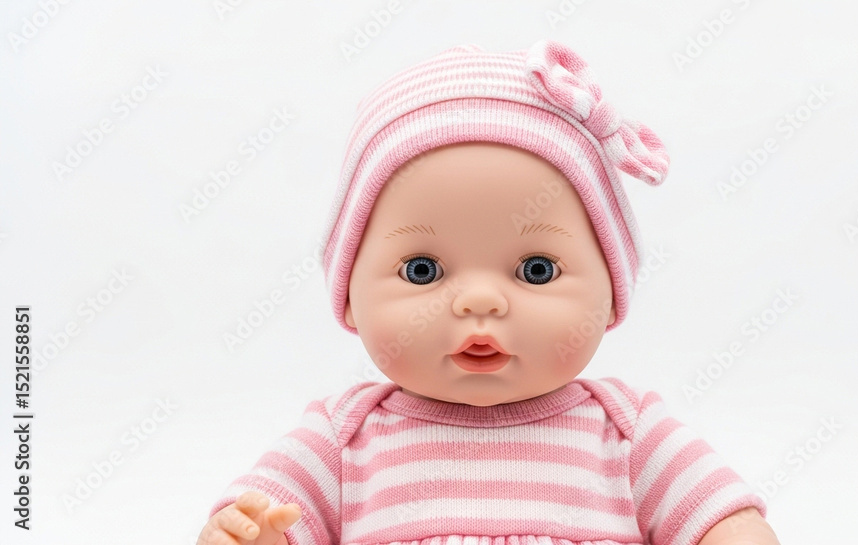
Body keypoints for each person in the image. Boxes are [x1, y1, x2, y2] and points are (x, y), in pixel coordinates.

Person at [198, 40, 779, 545]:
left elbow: (722, 518)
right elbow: (258, 514)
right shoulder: (342, 441)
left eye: (536, 270)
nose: (479, 301)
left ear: (611, 293)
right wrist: (252, 531)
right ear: (349, 294)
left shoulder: (628, 434)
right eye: (422, 270)